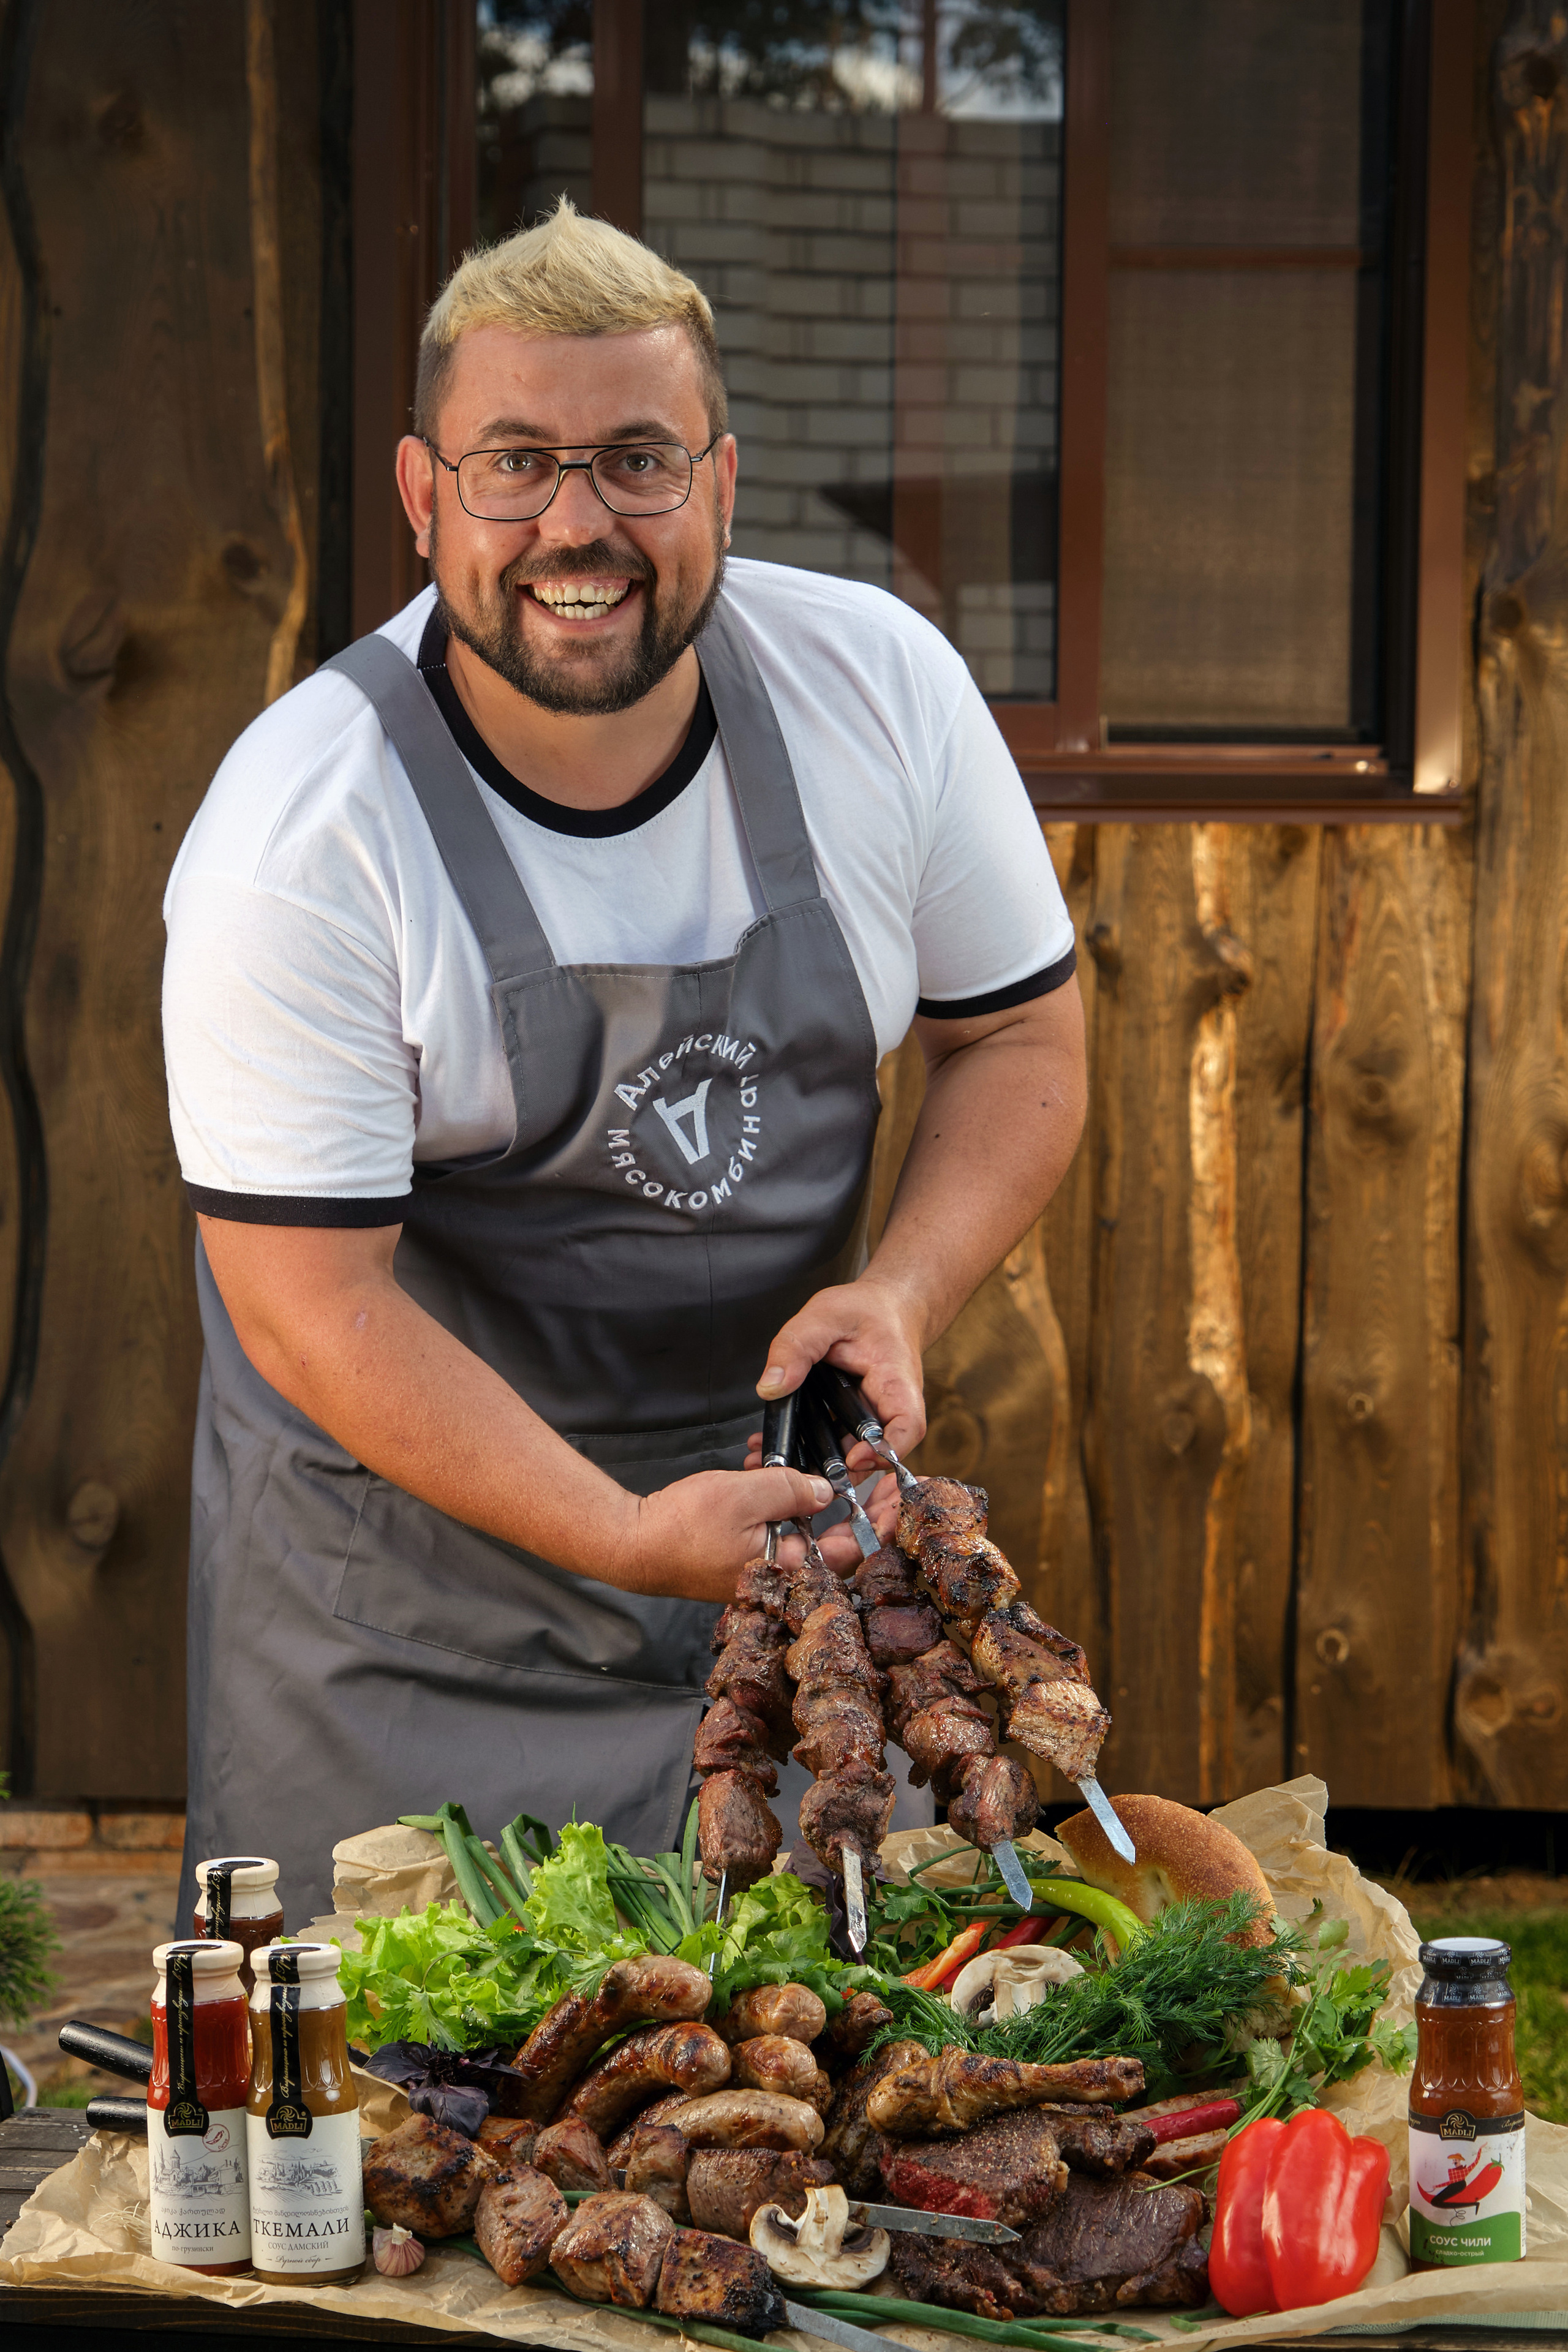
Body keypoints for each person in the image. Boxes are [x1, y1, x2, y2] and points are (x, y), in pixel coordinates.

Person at [164, 202, 1087, 1925]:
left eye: (638, 461)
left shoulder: (879, 690)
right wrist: (622, 1533)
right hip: (402, 1628)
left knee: (814, 2058)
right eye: (515, 463)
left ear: (722, 484)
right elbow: (309, 1305)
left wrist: (902, 1290)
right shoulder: (303, 834)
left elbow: (1017, 1034)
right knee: (391, 2076)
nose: (576, 524)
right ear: (424, 495)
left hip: (777, 1591)